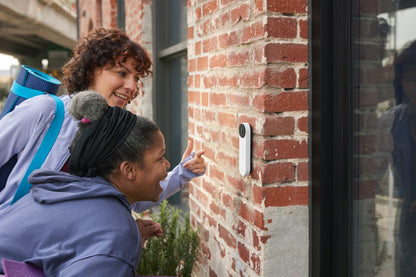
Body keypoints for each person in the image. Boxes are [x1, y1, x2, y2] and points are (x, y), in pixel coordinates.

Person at [0, 28, 205, 230]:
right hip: (13, 242)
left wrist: (182, 173)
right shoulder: (47, 111)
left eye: (136, 78)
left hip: (63, 254)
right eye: (122, 73)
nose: (132, 86)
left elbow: (135, 196)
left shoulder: (117, 136)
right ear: (91, 71)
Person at [0, 90, 171, 276]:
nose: (167, 165)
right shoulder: (114, 234)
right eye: (160, 158)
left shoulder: (64, 191)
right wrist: (118, 250)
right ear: (128, 170)